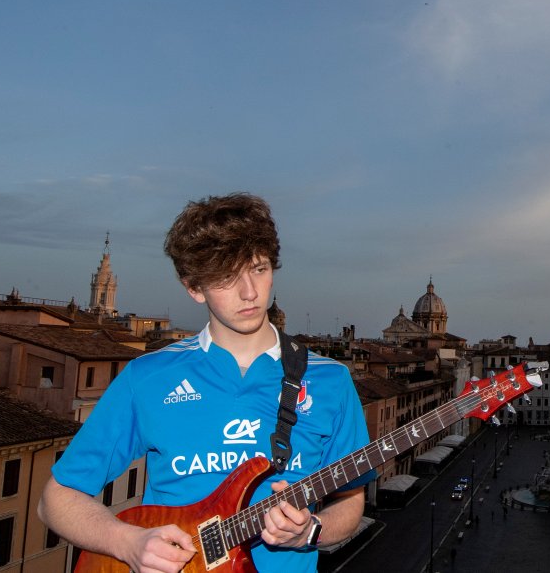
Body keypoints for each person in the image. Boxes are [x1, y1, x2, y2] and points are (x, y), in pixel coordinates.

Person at [38, 193, 373, 573]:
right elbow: (55, 499)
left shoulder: (331, 381)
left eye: (259, 269)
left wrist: (311, 530)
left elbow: (349, 500)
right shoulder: (148, 378)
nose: (249, 292)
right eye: (227, 278)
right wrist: (128, 543)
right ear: (194, 288)